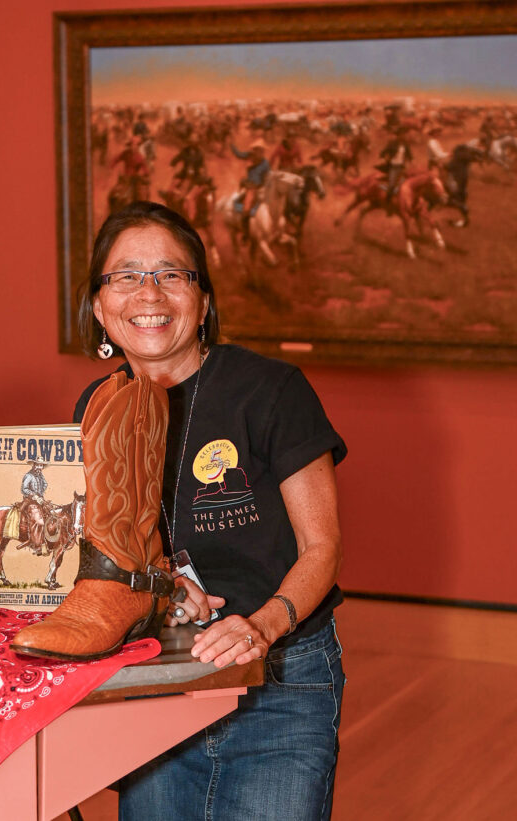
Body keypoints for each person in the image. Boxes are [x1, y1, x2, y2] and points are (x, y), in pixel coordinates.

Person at [73, 201, 347, 820]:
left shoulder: (272, 391)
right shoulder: (96, 407)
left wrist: (264, 626)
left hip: (281, 677)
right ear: (98, 306)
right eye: (126, 274)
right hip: (159, 674)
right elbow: (110, 556)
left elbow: (322, 549)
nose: (150, 291)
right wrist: (164, 594)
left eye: (173, 273)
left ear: (202, 302)